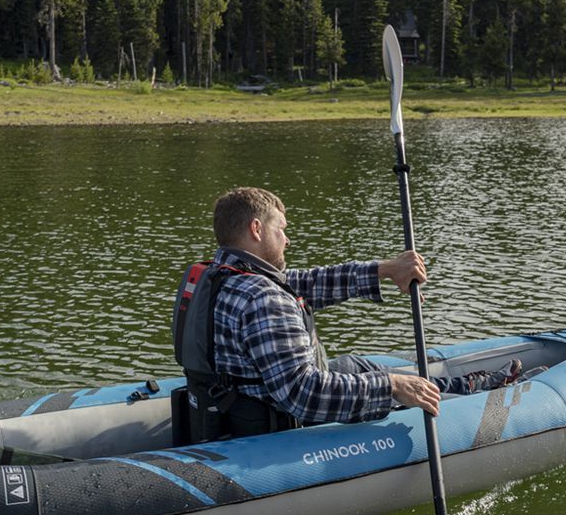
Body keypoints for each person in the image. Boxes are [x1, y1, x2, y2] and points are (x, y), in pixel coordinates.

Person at [172, 186, 522, 442]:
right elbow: (303, 394)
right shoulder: (262, 297)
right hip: (274, 423)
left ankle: (456, 386)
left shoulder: (216, 276)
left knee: (359, 366)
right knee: (385, 382)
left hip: (226, 407)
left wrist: (384, 270)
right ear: (256, 229)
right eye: (282, 229)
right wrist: (392, 386)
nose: (288, 240)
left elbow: (302, 283)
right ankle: (466, 394)